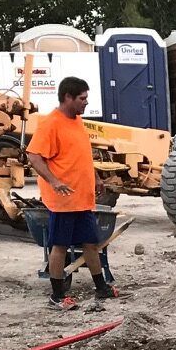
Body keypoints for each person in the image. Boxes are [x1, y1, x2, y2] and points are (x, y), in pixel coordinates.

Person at [25, 76, 116, 308]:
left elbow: (81, 154)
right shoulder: (51, 123)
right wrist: (54, 181)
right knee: (60, 246)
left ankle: (101, 288)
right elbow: (34, 156)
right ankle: (57, 296)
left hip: (82, 199)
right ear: (68, 97)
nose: (86, 103)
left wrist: (95, 178)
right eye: (82, 98)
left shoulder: (77, 121)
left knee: (91, 244)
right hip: (63, 201)